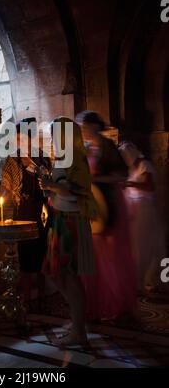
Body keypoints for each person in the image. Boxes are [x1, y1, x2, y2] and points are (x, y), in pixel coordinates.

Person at [38, 116, 97, 346]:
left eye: (55, 134)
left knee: (69, 276)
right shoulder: (63, 158)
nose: (52, 138)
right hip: (60, 219)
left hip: (71, 222)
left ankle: (79, 331)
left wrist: (51, 185)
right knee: (55, 273)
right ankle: (77, 323)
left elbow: (77, 189)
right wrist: (48, 186)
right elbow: (60, 191)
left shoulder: (76, 159)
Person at [75, 111, 138, 323]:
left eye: (84, 125)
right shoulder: (84, 149)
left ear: (95, 125)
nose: (82, 129)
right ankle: (95, 306)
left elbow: (122, 175)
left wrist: (98, 178)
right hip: (92, 205)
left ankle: (119, 305)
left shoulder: (108, 147)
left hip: (108, 203)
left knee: (112, 258)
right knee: (94, 259)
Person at [1, 117, 51, 309]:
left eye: (24, 139)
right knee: (25, 253)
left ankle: (43, 293)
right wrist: (3, 196)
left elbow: (48, 180)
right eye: (18, 139)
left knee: (41, 251)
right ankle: (26, 295)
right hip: (22, 211)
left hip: (42, 209)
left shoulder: (42, 158)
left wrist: (32, 166)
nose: (20, 143)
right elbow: (7, 185)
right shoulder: (12, 160)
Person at [119, 141, 166, 293]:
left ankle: (148, 279)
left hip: (145, 210)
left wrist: (130, 185)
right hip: (136, 210)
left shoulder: (145, 165)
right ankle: (139, 280)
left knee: (146, 246)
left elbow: (149, 186)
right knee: (138, 246)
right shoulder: (132, 169)